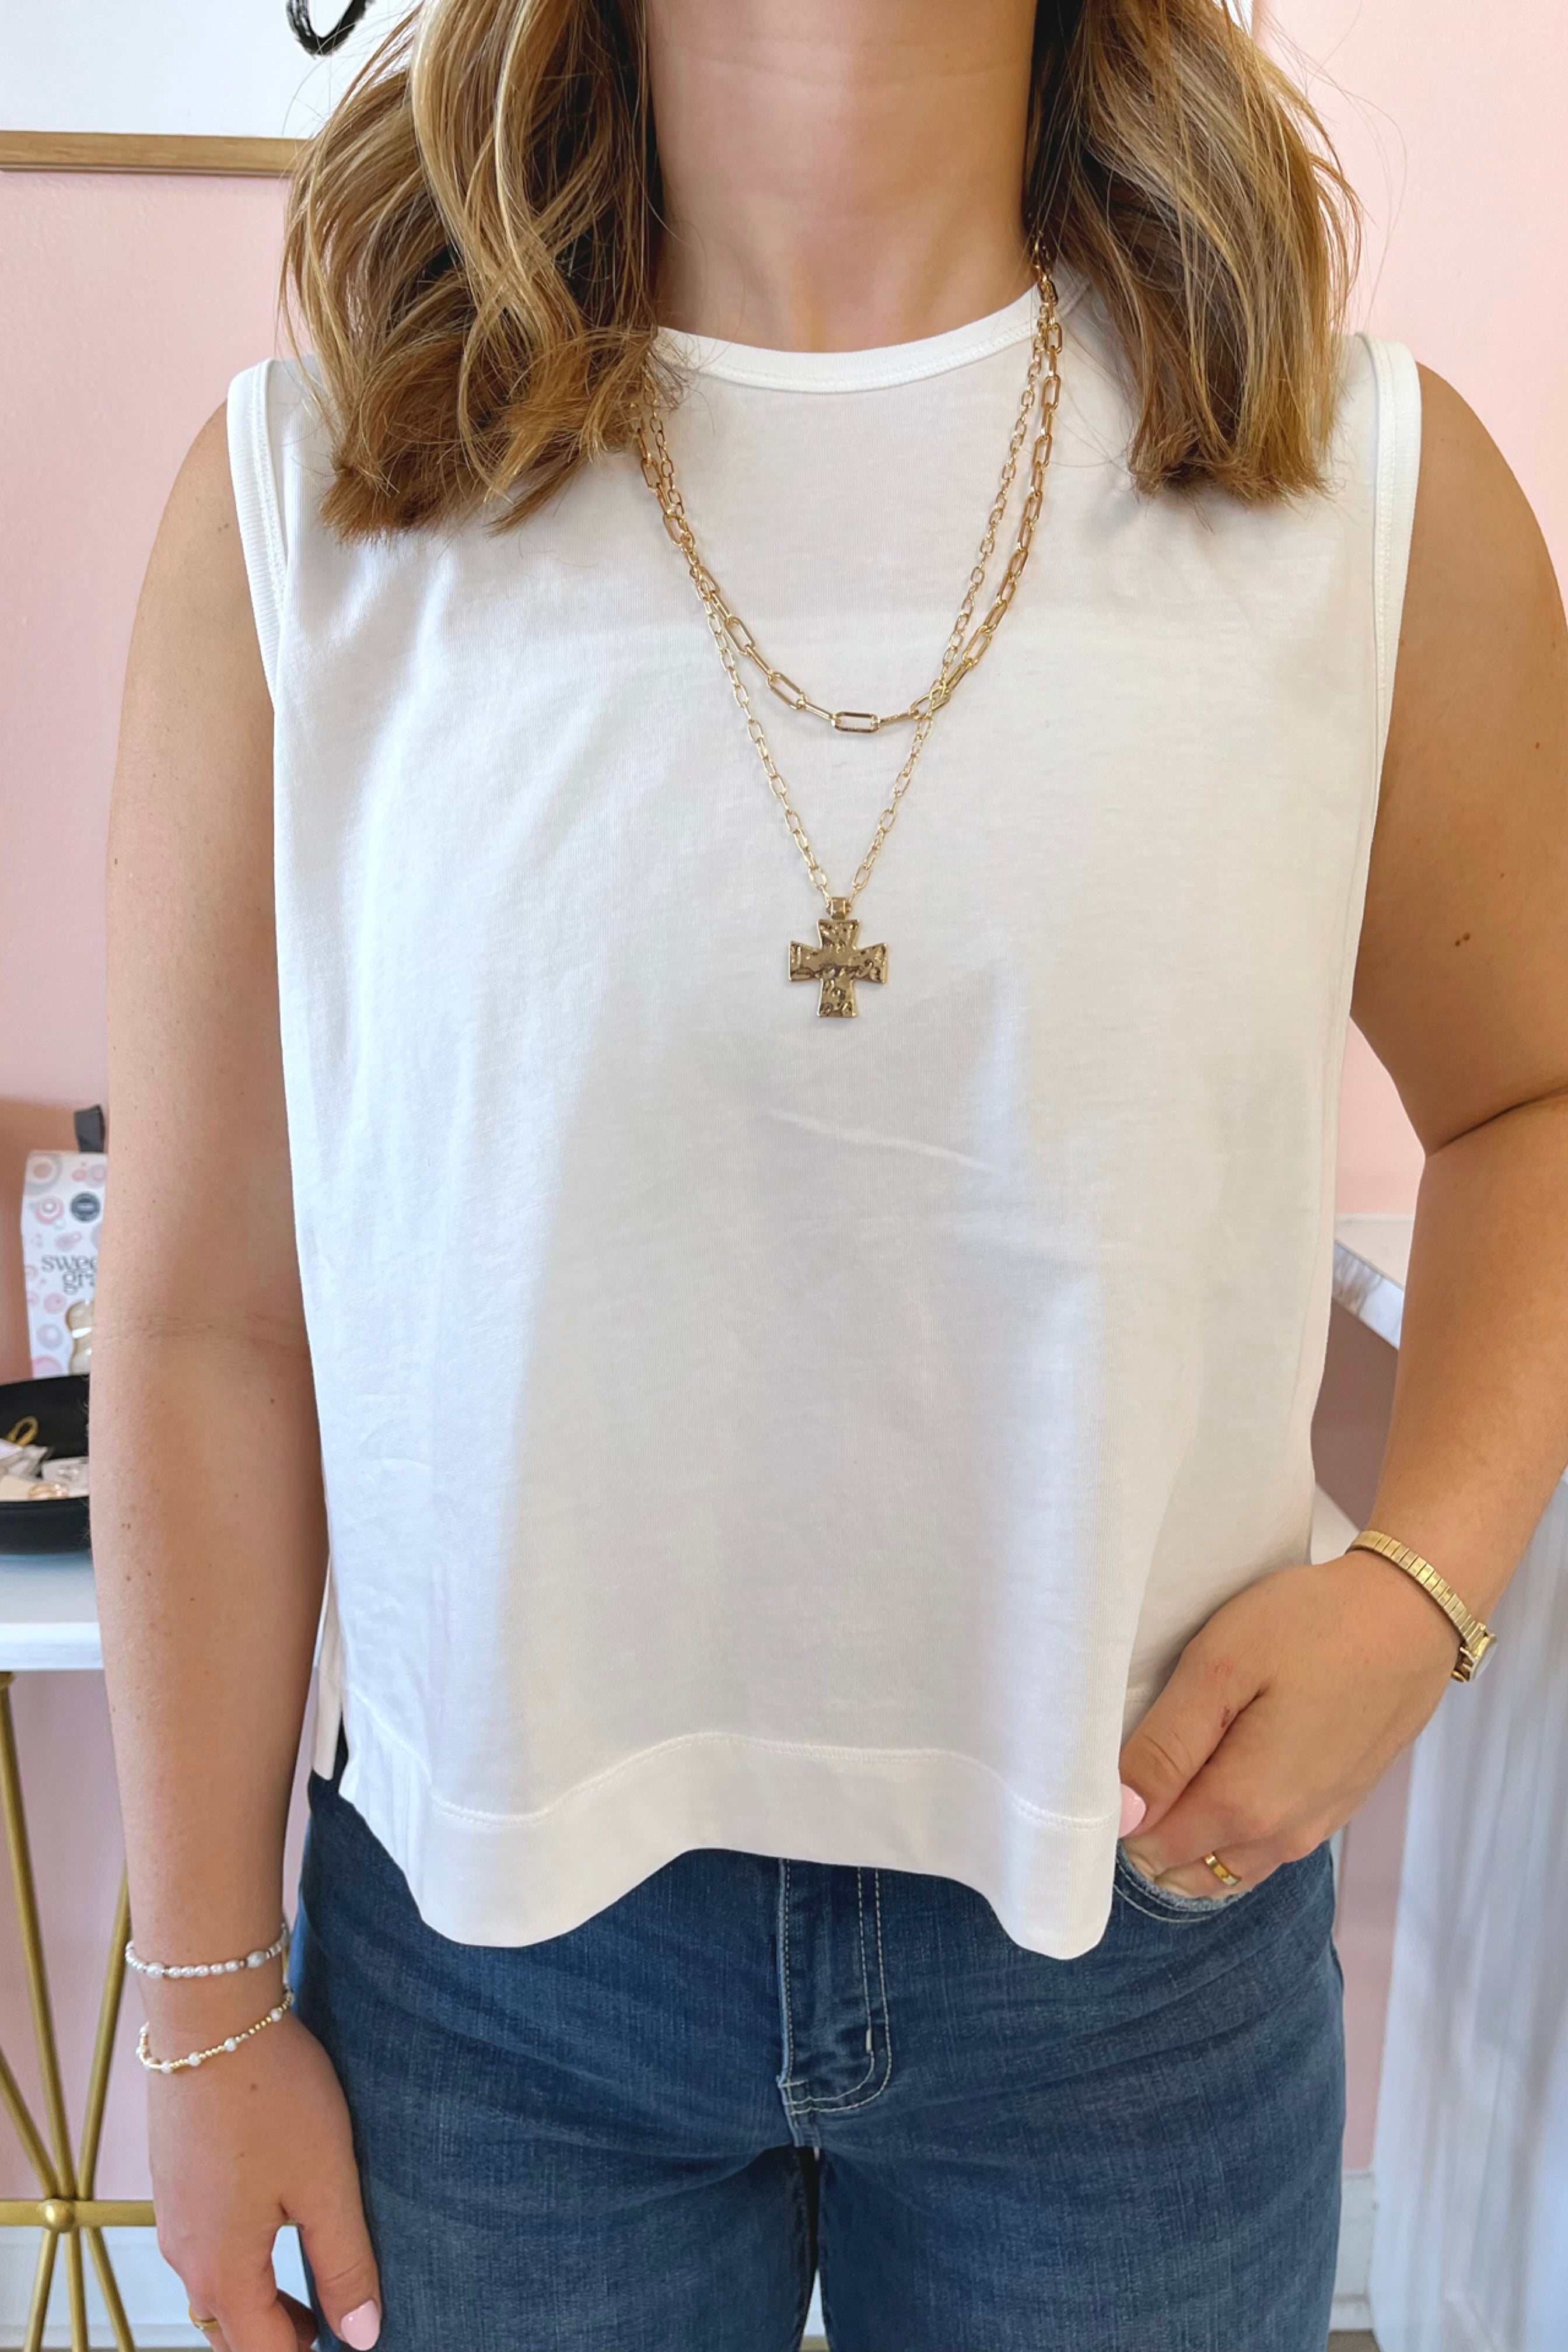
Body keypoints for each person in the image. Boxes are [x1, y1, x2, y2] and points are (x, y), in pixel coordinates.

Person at [93, 2, 1568, 2348]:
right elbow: (199, 1319)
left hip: (1137, 1929)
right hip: (494, 1985)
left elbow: (1535, 1103)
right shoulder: (317, 500)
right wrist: (200, 2000)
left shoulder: (1359, 492)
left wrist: (1426, 1582)